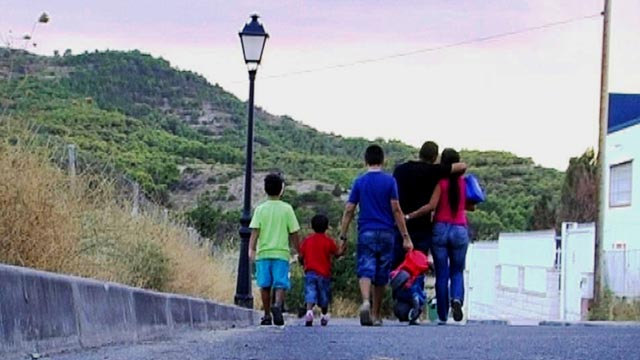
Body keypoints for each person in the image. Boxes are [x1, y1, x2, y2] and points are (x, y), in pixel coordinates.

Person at [339, 144, 413, 326]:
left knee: (365, 267)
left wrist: (342, 235)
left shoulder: (359, 181)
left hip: (366, 231)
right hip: (387, 232)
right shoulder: (390, 181)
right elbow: (396, 209)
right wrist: (405, 236)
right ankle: (376, 314)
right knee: (381, 274)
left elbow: (349, 209)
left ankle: (365, 301)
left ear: (365, 160)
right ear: (383, 160)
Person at [404, 148, 472, 323]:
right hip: (459, 229)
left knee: (442, 273)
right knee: (457, 271)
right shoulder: (465, 183)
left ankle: (442, 315)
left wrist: (410, 215)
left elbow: (431, 206)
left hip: (440, 229)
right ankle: (457, 299)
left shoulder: (440, 183)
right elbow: (471, 205)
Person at [392, 141, 467, 263]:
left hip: (400, 225)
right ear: (434, 157)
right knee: (417, 266)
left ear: (420, 153)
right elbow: (462, 166)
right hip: (422, 227)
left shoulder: (400, 170)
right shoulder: (433, 171)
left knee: (398, 268)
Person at [249, 173, 301, 326]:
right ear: (281, 190)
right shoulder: (287, 209)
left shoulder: (260, 209)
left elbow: (255, 231)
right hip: (281, 253)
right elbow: (294, 233)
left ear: (265, 190)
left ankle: (266, 314)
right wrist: (298, 250)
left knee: (264, 284)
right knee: (280, 283)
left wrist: (251, 248)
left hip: (263, 253)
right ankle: (277, 305)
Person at [299, 214, 345, 327]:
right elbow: (337, 253)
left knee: (310, 291)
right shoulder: (328, 241)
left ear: (312, 227)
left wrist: (302, 263)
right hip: (324, 274)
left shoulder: (307, 241)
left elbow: (301, 256)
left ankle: (309, 311)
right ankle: (324, 315)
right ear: (327, 227)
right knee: (323, 295)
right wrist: (343, 247)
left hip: (310, 272)